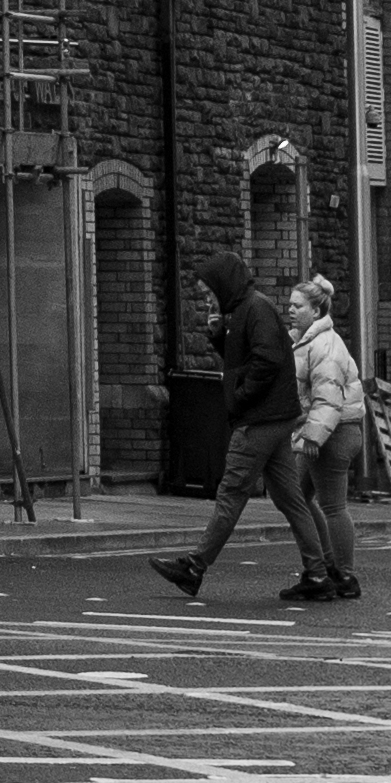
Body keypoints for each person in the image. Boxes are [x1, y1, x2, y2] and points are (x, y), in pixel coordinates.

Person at [155, 253, 300, 600]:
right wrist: (218, 335)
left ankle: (194, 567)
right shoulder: (243, 311)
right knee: (293, 502)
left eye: (208, 293)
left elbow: (265, 360)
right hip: (271, 419)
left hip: (258, 422)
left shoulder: (256, 308)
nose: (206, 299)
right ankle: (323, 570)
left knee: (230, 496)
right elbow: (245, 357)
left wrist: (241, 396)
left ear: (222, 285)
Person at [285, 274, 369, 604]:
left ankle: (343, 575)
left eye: (297, 305)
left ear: (316, 310)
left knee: (333, 506)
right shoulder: (306, 341)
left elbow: (327, 397)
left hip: (333, 434)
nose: (290, 310)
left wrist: (315, 437)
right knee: (298, 498)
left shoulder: (325, 345)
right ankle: (324, 569)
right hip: (320, 432)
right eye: (289, 304)